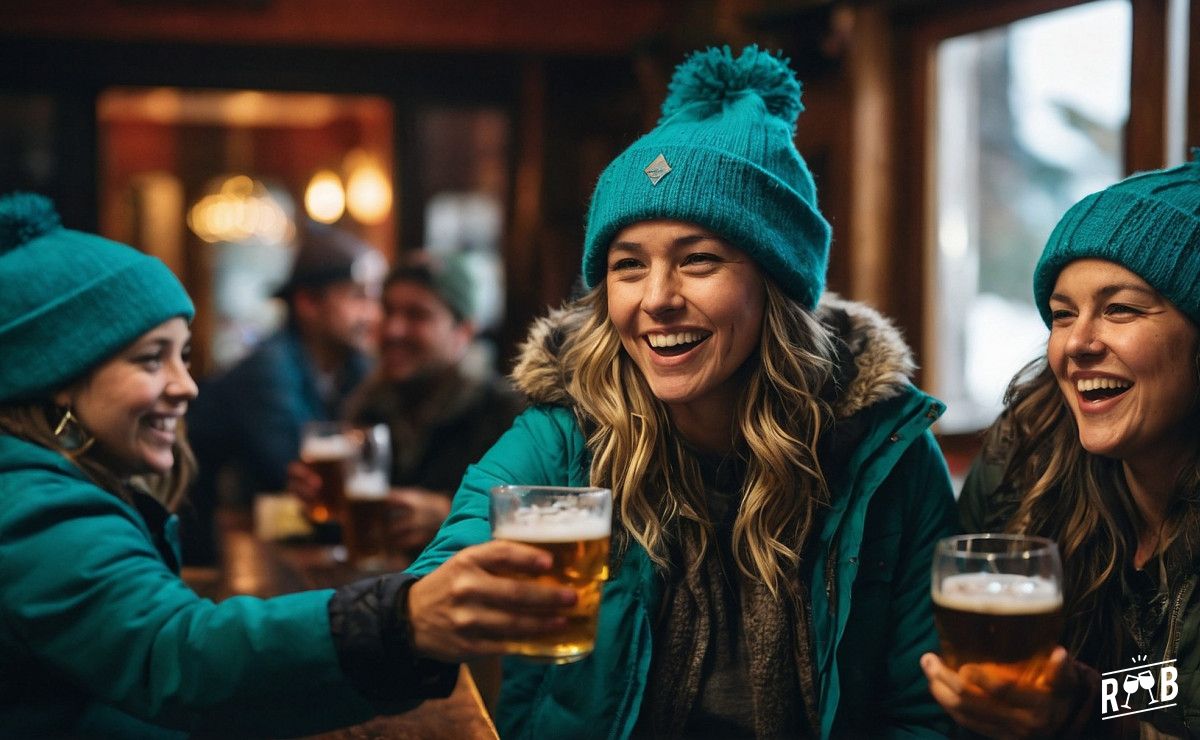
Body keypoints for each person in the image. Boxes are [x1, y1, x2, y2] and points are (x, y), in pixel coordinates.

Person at [404, 46, 958, 738]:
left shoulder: (888, 455)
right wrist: (443, 595)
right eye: (628, 266)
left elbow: (922, 712)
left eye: (699, 260)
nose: (657, 300)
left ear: (774, 285)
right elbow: (449, 561)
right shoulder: (563, 436)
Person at [0, 192, 574, 738]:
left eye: (185, 355)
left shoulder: (495, 407)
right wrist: (401, 619)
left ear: (463, 331)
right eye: (153, 359)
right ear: (57, 376)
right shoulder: (32, 503)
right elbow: (174, 651)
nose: (187, 386)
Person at [920, 156, 1200, 738]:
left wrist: (1085, 704)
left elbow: (1188, 691)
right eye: (1061, 315)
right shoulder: (1027, 453)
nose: (1076, 345)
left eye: (1120, 308)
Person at [289, 251, 524, 553]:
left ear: (463, 332)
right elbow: (346, 532)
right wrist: (318, 502)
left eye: (417, 315)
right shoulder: (366, 405)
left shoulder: (505, 413)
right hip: (381, 589)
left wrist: (449, 513)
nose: (393, 330)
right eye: (387, 311)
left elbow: (539, 511)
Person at [185, 222, 385, 563]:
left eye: (373, 298)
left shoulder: (355, 368)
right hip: (210, 558)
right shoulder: (267, 372)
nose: (373, 314)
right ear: (307, 303)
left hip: (280, 546)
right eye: (357, 297)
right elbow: (294, 478)